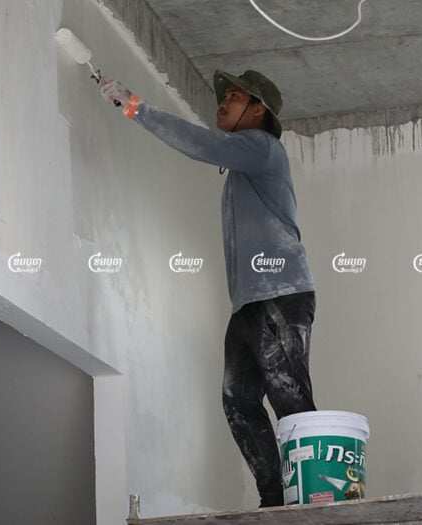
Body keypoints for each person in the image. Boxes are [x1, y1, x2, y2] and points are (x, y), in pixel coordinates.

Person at [100, 70, 317, 508]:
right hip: (249, 301)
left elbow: (202, 144)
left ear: (258, 110)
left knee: (288, 395)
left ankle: (313, 496)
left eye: (234, 96)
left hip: (278, 291)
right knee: (238, 401)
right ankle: (275, 500)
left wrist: (135, 106)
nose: (223, 102)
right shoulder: (243, 168)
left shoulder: (263, 147)